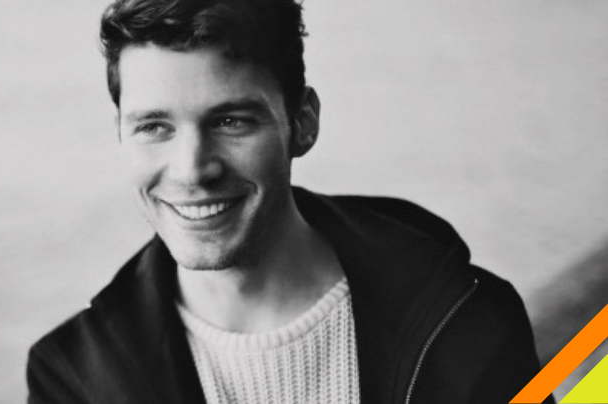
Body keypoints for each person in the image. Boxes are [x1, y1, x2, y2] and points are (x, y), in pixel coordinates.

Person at [27, 0, 552, 403]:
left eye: (231, 121)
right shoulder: (74, 381)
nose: (192, 170)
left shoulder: (467, 321)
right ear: (120, 135)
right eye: (153, 126)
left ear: (303, 123)